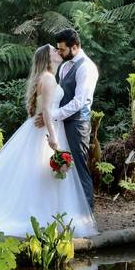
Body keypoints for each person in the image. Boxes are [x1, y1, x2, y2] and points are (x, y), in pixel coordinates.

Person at [0, 44, 97, 237]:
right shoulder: (47, 79)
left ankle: (52, 215)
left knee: (45, 176)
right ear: (47, 58)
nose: (58, 52)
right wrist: (53, 139)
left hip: (49, 127)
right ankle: (41, 217)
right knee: (41, 176)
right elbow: (46, 111)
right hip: (47, 131)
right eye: (54, 51)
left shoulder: (51, 77)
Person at [34, 28, 99, 212]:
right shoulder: (65, 66)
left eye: (62, 50)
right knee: (65, 170)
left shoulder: (86, 67)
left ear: (75, 47)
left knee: (79, 168)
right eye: (58, 49)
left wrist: (51, 116)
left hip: (78, 124)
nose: (60, 53)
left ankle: (87, 214)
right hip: (61, 124)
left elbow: (79, 102)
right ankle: (71, 212)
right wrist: (48, 116)